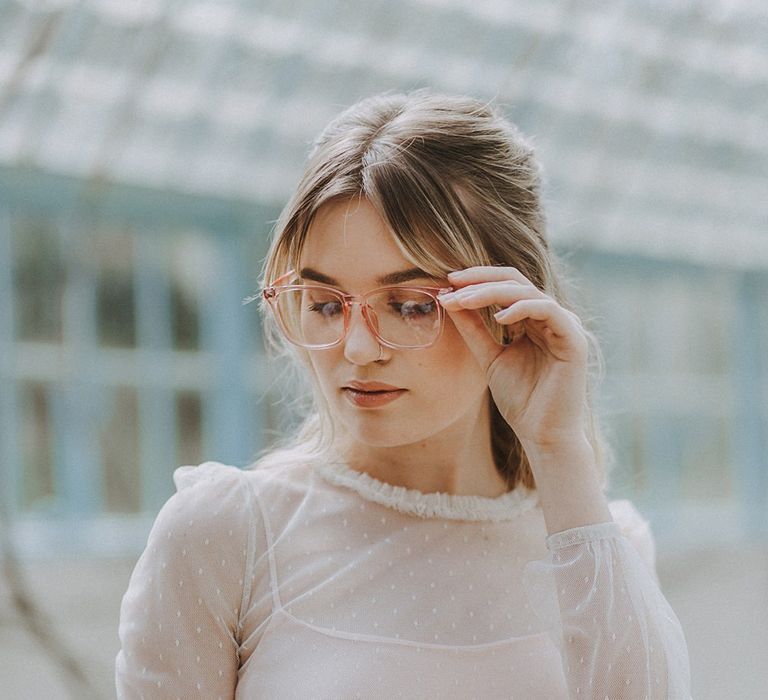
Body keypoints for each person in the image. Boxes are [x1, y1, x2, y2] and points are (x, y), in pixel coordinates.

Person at [115, 89, 692, 699]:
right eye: (326, 305)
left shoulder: (599, 547)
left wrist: (557, 448)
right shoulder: (226, 534)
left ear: (509, 304)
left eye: (412, 306)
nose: (359, 349)